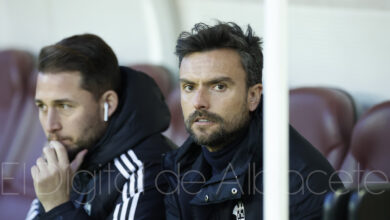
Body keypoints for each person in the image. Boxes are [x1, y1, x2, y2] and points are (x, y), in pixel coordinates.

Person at [161, 22, 344, 220]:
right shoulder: (179, 167)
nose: (199, 103)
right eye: (189, 87)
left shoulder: (301, 183)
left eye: (218, 86)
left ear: (253, 96)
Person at [25, 34, 175, 220]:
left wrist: (57, 207)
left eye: (65, 106)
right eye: (42, 107)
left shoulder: (147, 169)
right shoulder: (83, 152)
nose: (50, 125)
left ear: (108, 104)